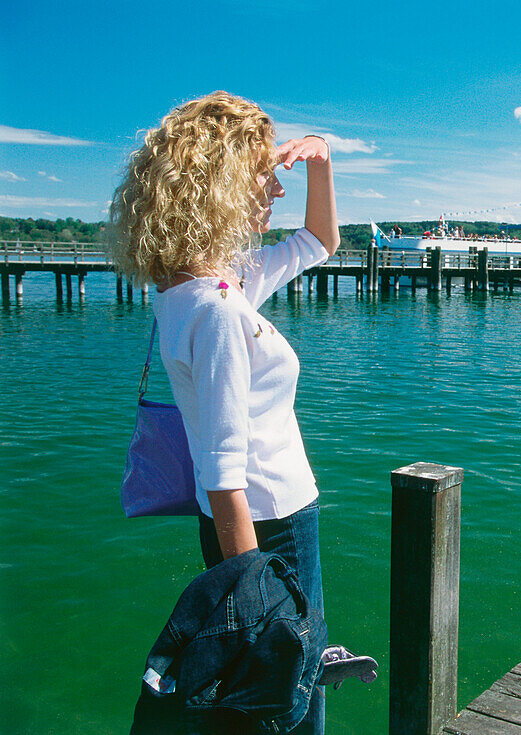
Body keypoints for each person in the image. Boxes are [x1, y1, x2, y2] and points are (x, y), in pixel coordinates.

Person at [110, 91, 339, 733]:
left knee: (275, 686)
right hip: (270, 525)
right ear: (218, 180)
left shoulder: (199, 284)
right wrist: (251, 589)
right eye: (260, 174)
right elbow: (223, 472)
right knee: (288, 686)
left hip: (240, 523)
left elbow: (318, 240)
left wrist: (320, 158)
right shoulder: (215, 305)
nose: (274, 188)